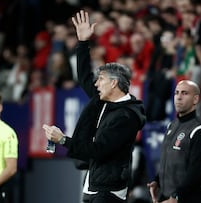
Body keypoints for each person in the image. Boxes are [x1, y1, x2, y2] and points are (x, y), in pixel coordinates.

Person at [43, 10, 146, 203]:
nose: (96, 84)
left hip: (109, 190)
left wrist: (63, 140)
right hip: (93, 184)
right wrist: (83, 42)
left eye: (101, 79)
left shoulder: (127, 116)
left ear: (114, 83)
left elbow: (98, 150)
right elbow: (83, 77)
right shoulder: (103, 100)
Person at [147, 80, 201, 203]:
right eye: (176, 93)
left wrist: (177, 197)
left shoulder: (199, 130)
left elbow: (196, 173)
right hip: (166, 197)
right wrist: (157, 181)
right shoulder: (171, 126)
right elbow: (168, 161)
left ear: (195, 99)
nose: (179, 97)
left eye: (184, 93)